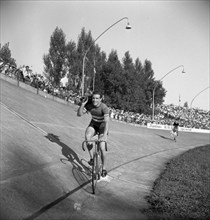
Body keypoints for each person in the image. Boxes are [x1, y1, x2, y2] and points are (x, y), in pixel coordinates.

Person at [77, 91, 110, 177]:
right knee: (87, 136)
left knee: (102, 147)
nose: (95, 100)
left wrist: (105, 135)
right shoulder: (90, 105)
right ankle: (92, 158)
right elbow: (79, 114)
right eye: (93, 98)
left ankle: (104, 168)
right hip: (94, 124)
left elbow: (107, 123)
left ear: (101, 99)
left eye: (97, 98)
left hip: (102, 126)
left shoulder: (104, 108)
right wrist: (83, 104)